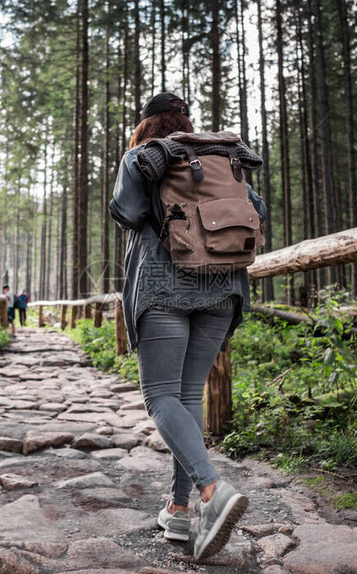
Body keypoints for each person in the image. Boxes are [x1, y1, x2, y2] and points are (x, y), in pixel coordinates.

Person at [108, 92, 266, 560]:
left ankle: (212, 490)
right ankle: (178, 510)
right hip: (223, 285)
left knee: (160, 395)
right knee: (188, 394)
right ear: (184, 120)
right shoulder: (221, 155)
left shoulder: (143, 156)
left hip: (163, 283)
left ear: (145, 125)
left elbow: (129, 213)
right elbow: (256, 210)